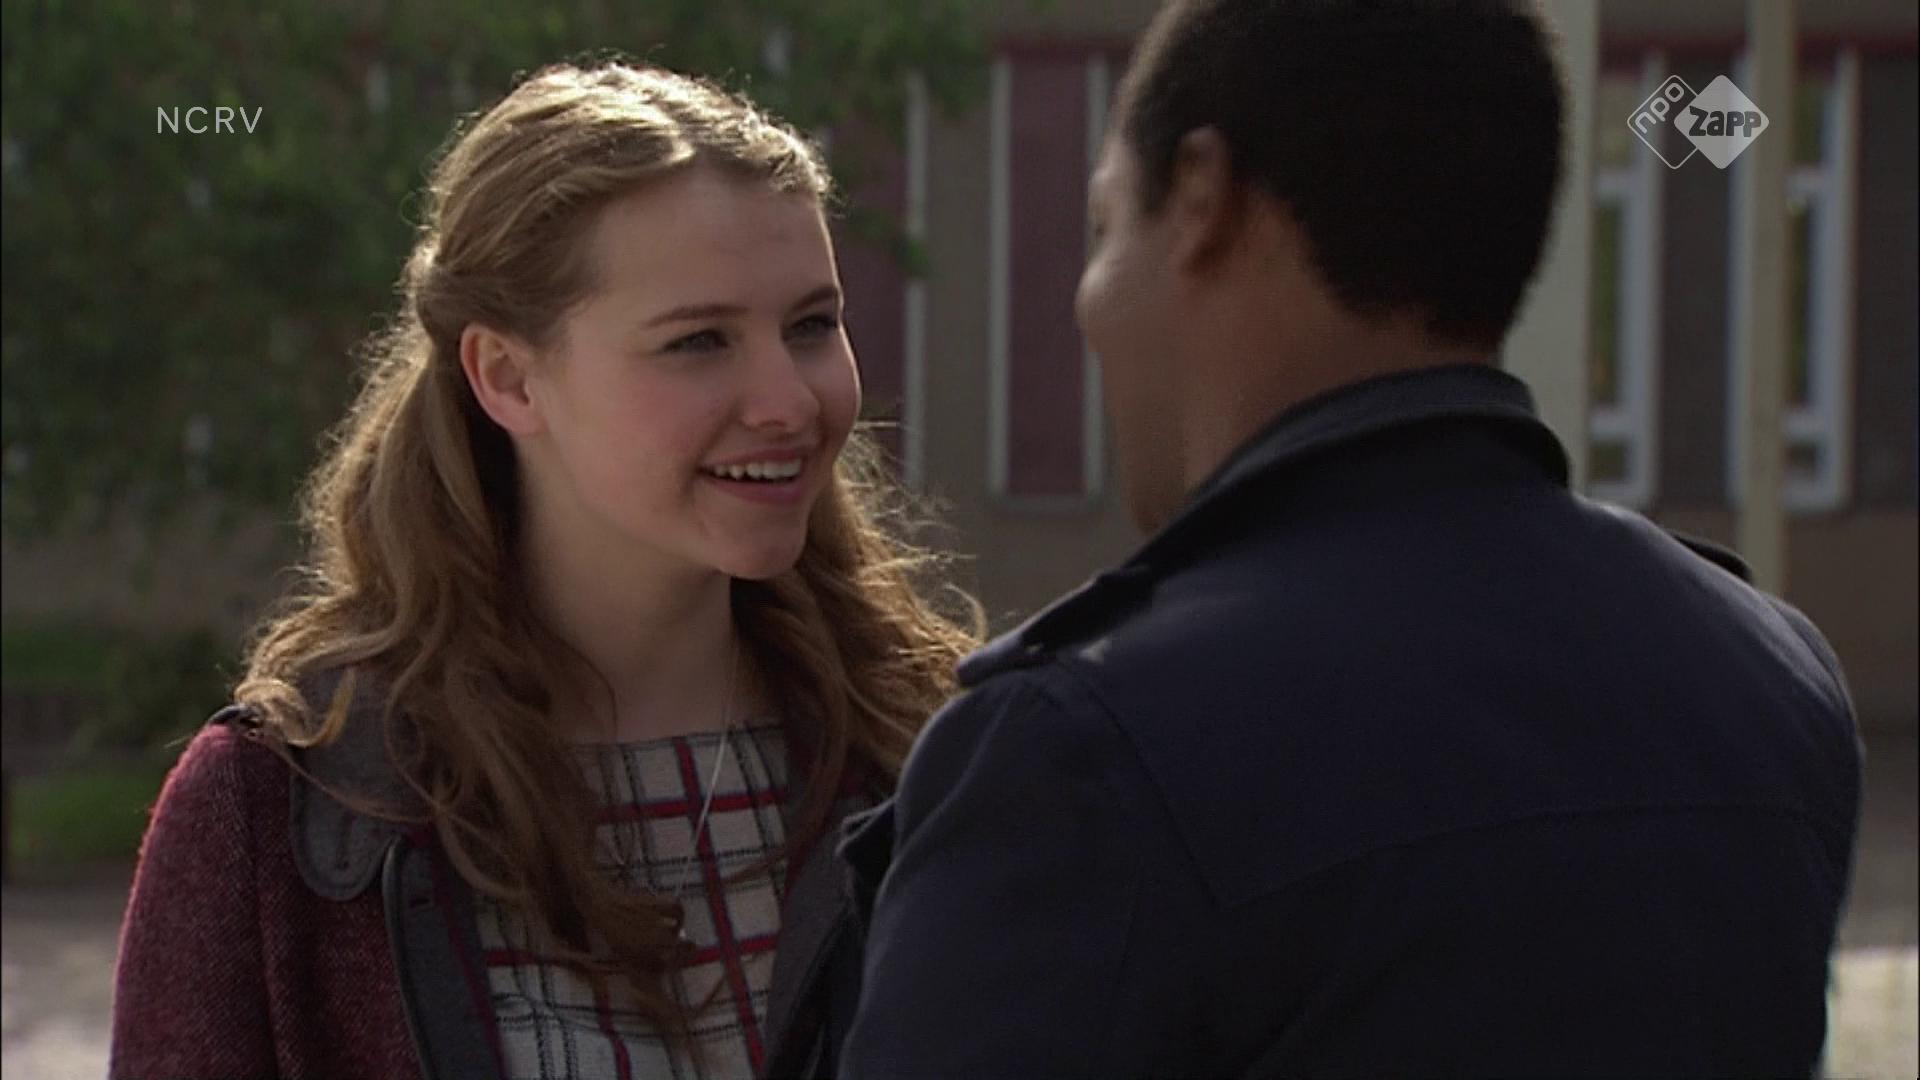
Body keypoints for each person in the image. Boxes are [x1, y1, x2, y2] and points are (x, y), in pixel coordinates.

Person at [837, 1, 1864, 1076]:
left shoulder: (1081, 760)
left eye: (1105, 229)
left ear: (1202, 198)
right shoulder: (1768, 682)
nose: (1089, 302)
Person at [110, 62, 978, 1080]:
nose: (790, 400)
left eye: (812, 325)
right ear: (509, 377)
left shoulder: (940, 755)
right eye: (699, 340)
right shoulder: (286, 813)